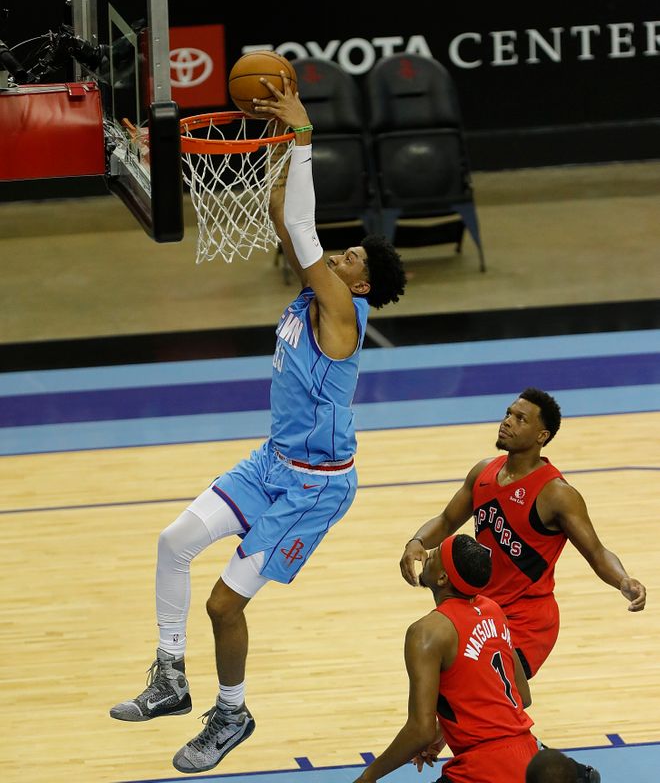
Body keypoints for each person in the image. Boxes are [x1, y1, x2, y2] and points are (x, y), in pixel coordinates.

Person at [109, 73, 406, 775]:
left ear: (361, 287)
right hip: (273, 461)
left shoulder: (342, 313)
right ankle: (170, 680)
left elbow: (301, 227)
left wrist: (303, 133)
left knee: (224, 605)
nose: (336, 257)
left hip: (317, 488)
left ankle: (233, 712)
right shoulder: (315, 293)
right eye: (342, 252)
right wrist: (275, 143)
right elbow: (282, 210)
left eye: (351, 259)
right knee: (174, 541)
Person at [400, 387, 642, 781]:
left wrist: (624, 581)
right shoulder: (484, 471)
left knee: (496, 701)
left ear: (542, 435)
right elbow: (445, 522)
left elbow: (597, 552)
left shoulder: (557, 494)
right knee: (465, 692)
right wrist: (415, 543)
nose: (508, 421)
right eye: (509, 413)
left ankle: (569, 775)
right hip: (479, 606)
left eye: (521, 418)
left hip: (528, 620)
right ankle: (554, 769)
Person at [354, 533, 540, 783]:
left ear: (443, 578)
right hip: (529, 759)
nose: (428, 555)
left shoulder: (427, 632)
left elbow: (420, 730)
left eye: (435, 554)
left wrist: (368, 776)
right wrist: (447, 730)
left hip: (483, 770)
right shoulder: (493, 610)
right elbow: (522, 697)